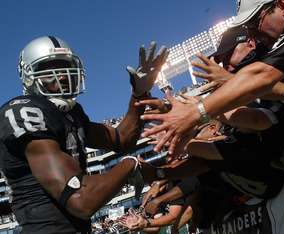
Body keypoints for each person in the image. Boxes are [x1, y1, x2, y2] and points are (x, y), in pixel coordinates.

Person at [0, 36, 168, 233]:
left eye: (66, 67)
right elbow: (81, 199)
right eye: (50, 69)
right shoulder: (25, 112)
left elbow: (122, 140)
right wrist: (129, 165)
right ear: (29, 77)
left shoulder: (72, 113)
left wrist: (140, 93)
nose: (62, 76)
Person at [139, 0, 284, 156]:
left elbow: (268, 81)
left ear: (283, 5)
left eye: (253, 22)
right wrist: (171, 109)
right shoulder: (253, 73)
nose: (251, 32)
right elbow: (261, 111)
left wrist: (197, 111)